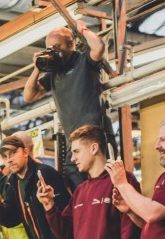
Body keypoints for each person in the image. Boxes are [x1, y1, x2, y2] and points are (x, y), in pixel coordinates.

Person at [23, 23, 115, 188]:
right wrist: (37, 68)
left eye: (57, 47)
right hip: (74, 140)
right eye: (49, 48)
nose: (53, 51)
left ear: (70, 44)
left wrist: (82, 29)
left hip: (95, 135)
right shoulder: (53, 73)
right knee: (73, 178)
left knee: (103, 183)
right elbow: (29, 95)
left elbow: (99, 46)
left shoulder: (83, 60)